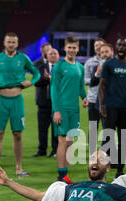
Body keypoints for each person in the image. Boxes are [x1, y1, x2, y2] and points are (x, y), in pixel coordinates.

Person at [0, 32, 40, 178]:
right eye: (9, 42)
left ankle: (19, 168)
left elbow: (36, 73)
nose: (11, 44)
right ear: (4, 43)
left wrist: (31, 82)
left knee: (18, 134)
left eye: (13, 42)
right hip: (0, 99)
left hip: (16, 100)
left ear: (17, 44)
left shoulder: (23, 58)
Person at [98, 37, 126, 178]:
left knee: (123, 140)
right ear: (116, 47)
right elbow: (102, 85)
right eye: (119, 45)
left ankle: (120, 171)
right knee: (107, 139)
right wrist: (101, 105)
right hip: (110, 106)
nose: (121, 48)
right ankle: (100, 169)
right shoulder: (109, 64)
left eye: (124, 45)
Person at [51, 36, 89, 184]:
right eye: (69, 47)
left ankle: (65, 174)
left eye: (74, 48)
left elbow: (80, 86)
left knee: (70, 142)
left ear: (78, 49)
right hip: (62, 109)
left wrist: (84, 97)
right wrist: (56, 110)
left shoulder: (80, 67)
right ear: (65, 48)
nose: (72, 50)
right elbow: (54, 89)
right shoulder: (59, 66)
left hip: (74, 110)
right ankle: (61, 176)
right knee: (62, 140)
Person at [32, 45, 59, 158]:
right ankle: (42, 150)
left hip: (56, 103)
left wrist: (50, 79)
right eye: (50, 54)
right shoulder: (40, 67)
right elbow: (36, 82)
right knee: (42, 128)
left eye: (54, 53)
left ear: (58, 56)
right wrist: (45, 79)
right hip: (43, 102)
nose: (52, 55)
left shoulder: (62, 67)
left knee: (55, 128)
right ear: (47, 56)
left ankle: (54, 150)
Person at [84, 38, 106, 136]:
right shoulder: (89, 62)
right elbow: (85, 80)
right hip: (93, 98)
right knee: (93, 125)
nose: (98, 47)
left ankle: (107, 149)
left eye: (100, 45)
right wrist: (97, 78)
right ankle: (92, 148)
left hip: (107, 99)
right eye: (96, 45)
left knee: (108, 126)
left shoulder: (111, 61)